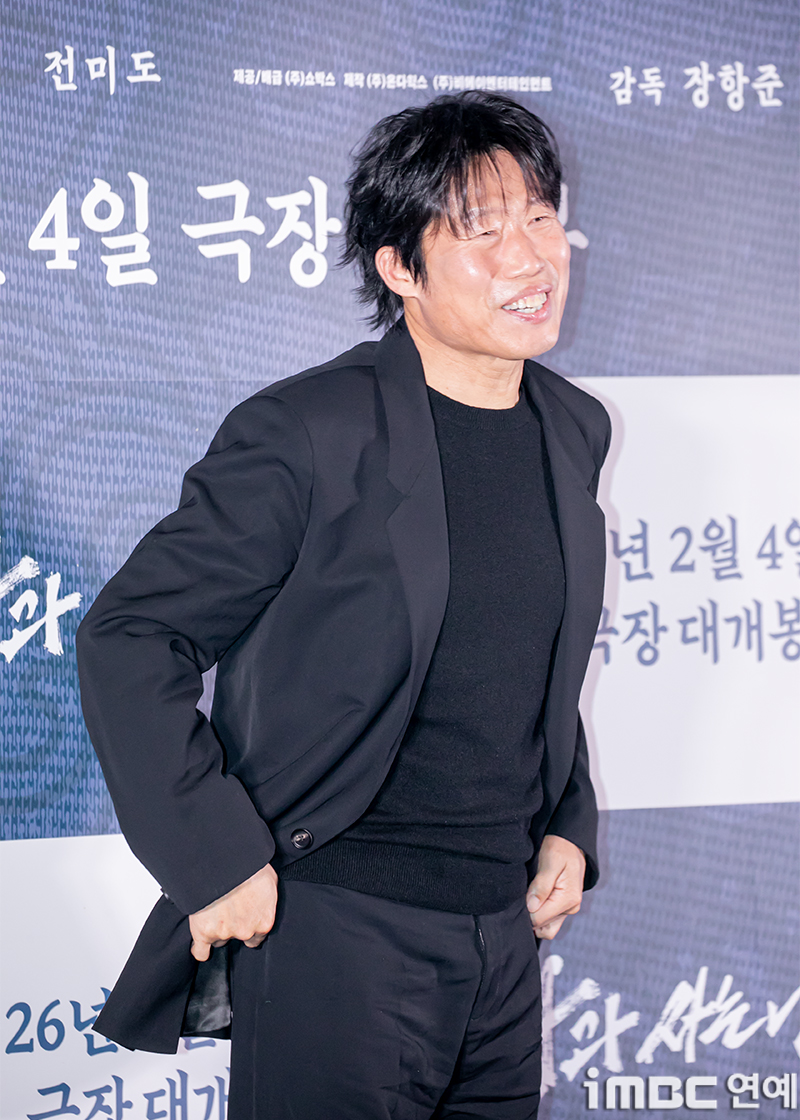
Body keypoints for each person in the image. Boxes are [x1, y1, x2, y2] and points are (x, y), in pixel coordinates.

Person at [77, 91, 611, 1119]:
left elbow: (520, 653)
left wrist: (565, 821)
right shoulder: (307, 431)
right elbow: (131, 636)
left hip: (502, 941)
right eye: (481, 231)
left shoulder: (570, 427)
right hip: (338, 929)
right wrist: (214, 856)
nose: (532, 257)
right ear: (399, 268)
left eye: (541, 218)